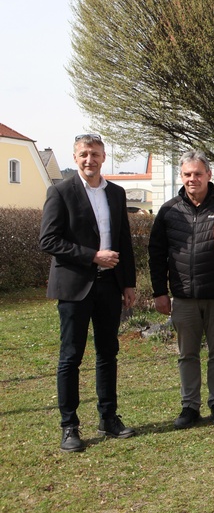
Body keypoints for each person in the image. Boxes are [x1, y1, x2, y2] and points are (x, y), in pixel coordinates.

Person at [39, 133, 138, 452]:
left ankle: (108, 417)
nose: (89, 159)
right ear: (75, 156)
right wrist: (92, 255)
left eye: (95, 154)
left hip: (109, 286)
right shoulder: (60, 191)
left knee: (108, 353)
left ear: (104, 157)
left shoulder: (116, 193)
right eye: (83, 154)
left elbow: (123, 240)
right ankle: (69, 426)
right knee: (71, 356)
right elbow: (49, 241)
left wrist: (128, 282)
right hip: (73, 286)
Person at [149, 150, 214, 429]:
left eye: (198, 173)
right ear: (181, 176)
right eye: (187, 174)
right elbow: (156, 253)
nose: (192, 179)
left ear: (209, 175)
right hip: (183, 297)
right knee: (187, 354)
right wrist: (160, 292)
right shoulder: (169, 211)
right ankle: (189, 406)